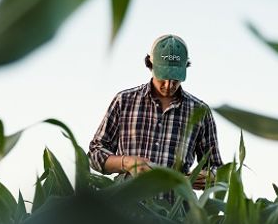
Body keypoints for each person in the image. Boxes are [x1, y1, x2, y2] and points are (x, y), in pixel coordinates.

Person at [88, 34, 223, 193]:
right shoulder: (124, 101)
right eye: (163, 77)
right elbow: (95, 153)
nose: (169, 85)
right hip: (126, 209)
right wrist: (127, 163)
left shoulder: (200, 112)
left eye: (176, 79)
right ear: (150, 65)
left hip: (176, 214)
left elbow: (217, 168)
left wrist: (208, 177)